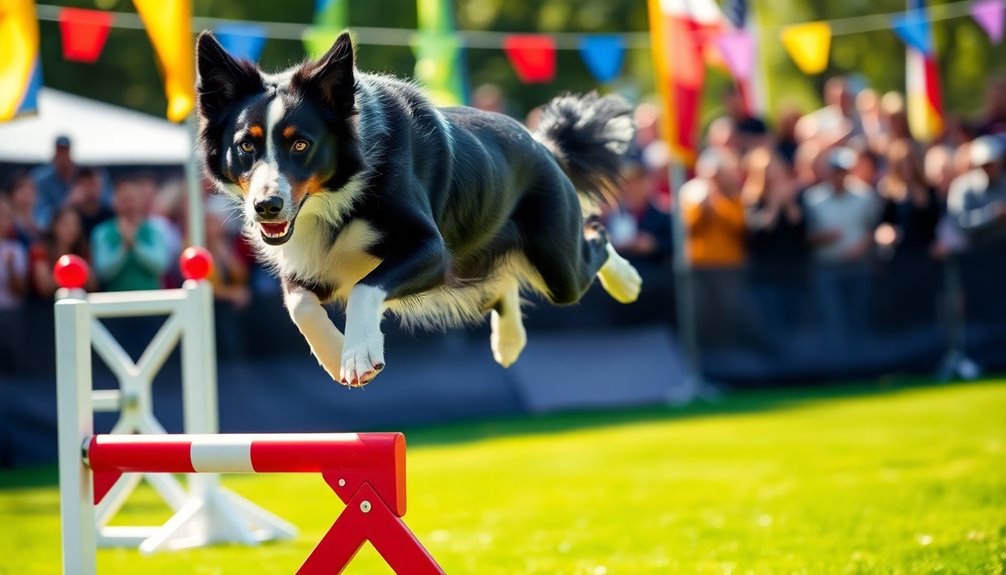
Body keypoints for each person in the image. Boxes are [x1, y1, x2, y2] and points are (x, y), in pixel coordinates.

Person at [804, 147, 880, 348]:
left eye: (842, 170)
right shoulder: (813, 199)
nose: (839, 175)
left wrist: (861, 247)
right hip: (828, 267)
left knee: (860, 313)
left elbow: (874, 229)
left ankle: (862, 357)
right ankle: (838, 358)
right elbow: (805, 236)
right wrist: (823, 237)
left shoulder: (866, 196)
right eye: (835, 170)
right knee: (833, 315)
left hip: (858, 266)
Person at [681, 149, 747, 347]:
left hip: (728, 266)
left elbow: (738, 226)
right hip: (700, 266)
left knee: (729, 311)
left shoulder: (733, 196)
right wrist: (702, 208)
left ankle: (729, 347)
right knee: (703, 312)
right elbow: (687, 228)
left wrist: (717, 204)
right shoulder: (692, 194)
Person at [90, 175, 171, 291]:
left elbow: (160, 265)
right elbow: (103, 271)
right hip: (114, 304)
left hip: (151, 302)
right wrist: (123, 247)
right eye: (124, 200)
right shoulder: (102, 232)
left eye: (132, 199)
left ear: (140, 201)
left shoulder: (155, 230)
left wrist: (135, 245)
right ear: (115, 202)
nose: (129, 205)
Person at [875, 139, 939, 257]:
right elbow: (883, 224)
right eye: (901, 163)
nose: (906, 167)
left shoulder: (929, 190)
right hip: (901, 255)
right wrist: (887, 233)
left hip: (927, 255)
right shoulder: (889, 193)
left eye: (909, 162)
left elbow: (937, 220)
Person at [606, 158, 672, 267]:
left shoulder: (663, 215)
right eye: (627, 184)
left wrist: (654, 244)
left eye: (637, 184)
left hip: (653, 276)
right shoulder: (612, 216)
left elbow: (676, 246)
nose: (632, 189)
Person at [947, 135, 1006, 242]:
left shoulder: (1004, 182)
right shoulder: (963, 187)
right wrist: (992, 214)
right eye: (986, 165)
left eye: (993, 163)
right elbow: (961, 221)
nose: (990, 168)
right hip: (978, 251)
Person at [29, 205, 96, 298]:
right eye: (65, 224)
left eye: (75, 224)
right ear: (54, 225)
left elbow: (93, 285)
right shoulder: (40, 250)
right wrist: (70, 272)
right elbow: (44, 287)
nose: (71, 229)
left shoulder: (82, 250)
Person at [30, 135, 77, 227]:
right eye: (60, 152)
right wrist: (68, 202)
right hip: (51, 234)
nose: (63, 157)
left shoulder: (84, 177)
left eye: (65, 152)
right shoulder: (40, 178)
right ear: (54, 153)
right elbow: (40, 217)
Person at [67, 167, 114, 238]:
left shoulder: (111, 215)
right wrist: (69, 202)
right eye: (85, 185)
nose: (89, 189)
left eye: (93, 184)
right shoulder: (71, 215)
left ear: (100, 186)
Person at [0, 197, 28, 310]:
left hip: (11, 314)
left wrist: (10, 267)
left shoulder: (16, 249)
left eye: (5, 216)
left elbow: (21, 289)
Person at [5, 173, 41, 247]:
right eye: (22, 191)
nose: (27, 196)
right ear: (11, 195)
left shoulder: (40, 226)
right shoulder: (5, 224)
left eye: (31, 191)